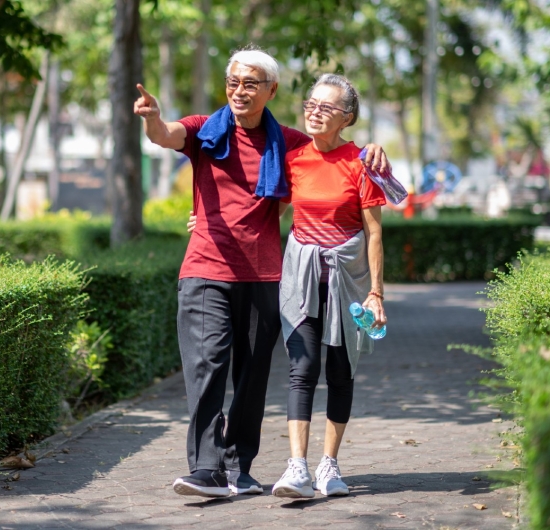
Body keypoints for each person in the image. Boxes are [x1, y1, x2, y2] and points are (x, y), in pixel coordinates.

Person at [133, 48, 389, 498]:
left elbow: (331, 160)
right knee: (207, 364)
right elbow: (166, 135)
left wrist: (372, 149)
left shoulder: (288, 142)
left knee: (252, 376)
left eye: (251, 83)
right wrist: (152, 118)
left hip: (267, 275)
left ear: (271, 90)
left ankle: (239, 469)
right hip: (206, 268)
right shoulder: (203, 131)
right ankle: (207, 469)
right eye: (233, 81)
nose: (239, 90)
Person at [270, 74, 387, 498]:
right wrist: (210, 223)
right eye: (311, 104)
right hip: (300, 279)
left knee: (340, 372)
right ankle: (296, 468)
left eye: (326, 108)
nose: (314, 112)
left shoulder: (362, 163)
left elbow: (374, 233)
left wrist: (376, 292)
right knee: (302, 370)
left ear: (347, 118)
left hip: (348, 285)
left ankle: (329, 466)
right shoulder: (295, 159)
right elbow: (271, 215)